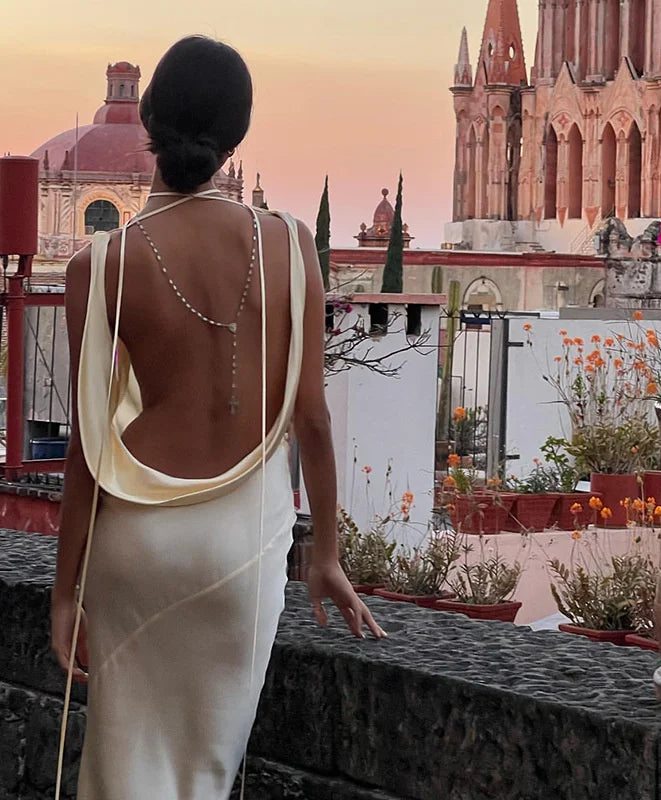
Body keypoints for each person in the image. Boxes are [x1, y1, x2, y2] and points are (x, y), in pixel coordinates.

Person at [49, 35, 385, 800]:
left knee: (123, 762)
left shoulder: (97, 266)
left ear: (152, 123)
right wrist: (324, 554)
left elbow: (87, 448)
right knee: (206, 768)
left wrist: (64, 592)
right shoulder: (292, 244)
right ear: (238, 134)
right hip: (240, 545)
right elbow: (313, 421)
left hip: (135, 540)